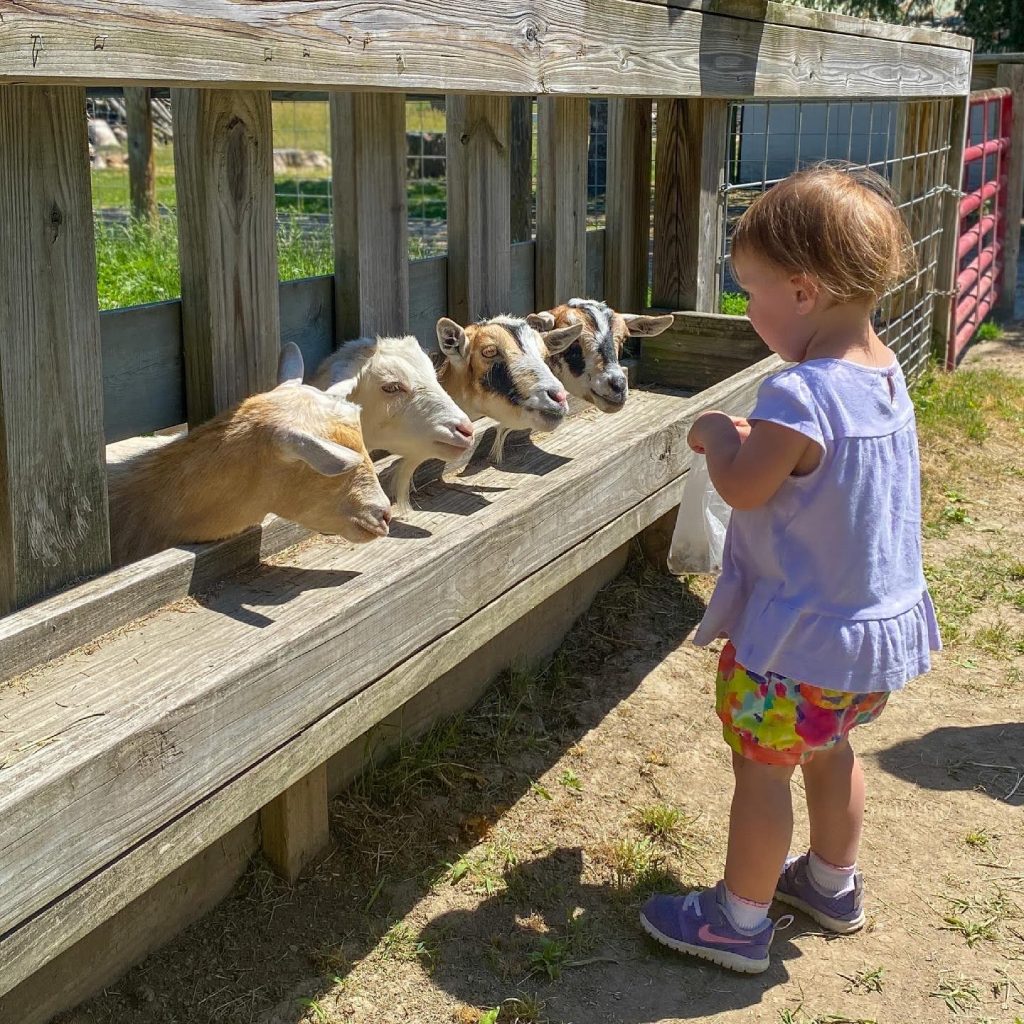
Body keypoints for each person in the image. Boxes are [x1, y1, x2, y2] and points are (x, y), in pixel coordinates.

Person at [640, 164, 941, 974]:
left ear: (804, 293)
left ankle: (738, 922)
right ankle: (833, 884)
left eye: (750, 290)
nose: (746, 309)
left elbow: (742, 484)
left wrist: (714, 432)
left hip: (794, 643)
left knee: (763, 769)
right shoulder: (882, 375)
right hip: (865, 642)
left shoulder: (797, 394)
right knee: (831, 748)